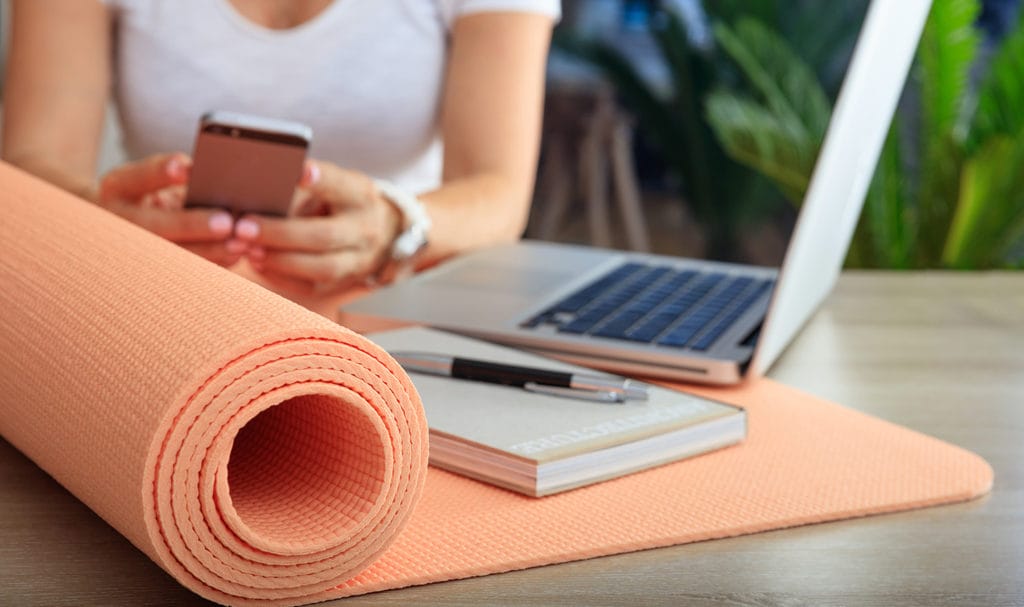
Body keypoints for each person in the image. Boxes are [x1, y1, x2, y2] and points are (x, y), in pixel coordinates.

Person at [1, 0, 559, 295]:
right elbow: (30, 164)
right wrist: (106, 214)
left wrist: (395, 222)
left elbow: (498, 190)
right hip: (167, 298)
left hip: (393, 306)